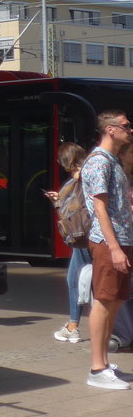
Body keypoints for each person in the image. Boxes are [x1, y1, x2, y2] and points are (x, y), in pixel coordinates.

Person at [80, 110, 133, 390]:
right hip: (107, 241)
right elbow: (99, 206)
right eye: (126, 126)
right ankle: (96, 368)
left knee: (115, 300)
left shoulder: (113, 161)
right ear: (110, 130)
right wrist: (113, 247)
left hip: (122, 239)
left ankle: (104, 364)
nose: (130, 130)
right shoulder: (99, 161)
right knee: (103, 300)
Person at [45, 142, 90, 342]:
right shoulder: (88, 172)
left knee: (79, 282)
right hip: (89, 235)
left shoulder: (78, 178)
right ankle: (72, 325)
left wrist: (57, 201)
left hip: (83, 236)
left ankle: (74, 327)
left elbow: (70, 210)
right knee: (74, 280)